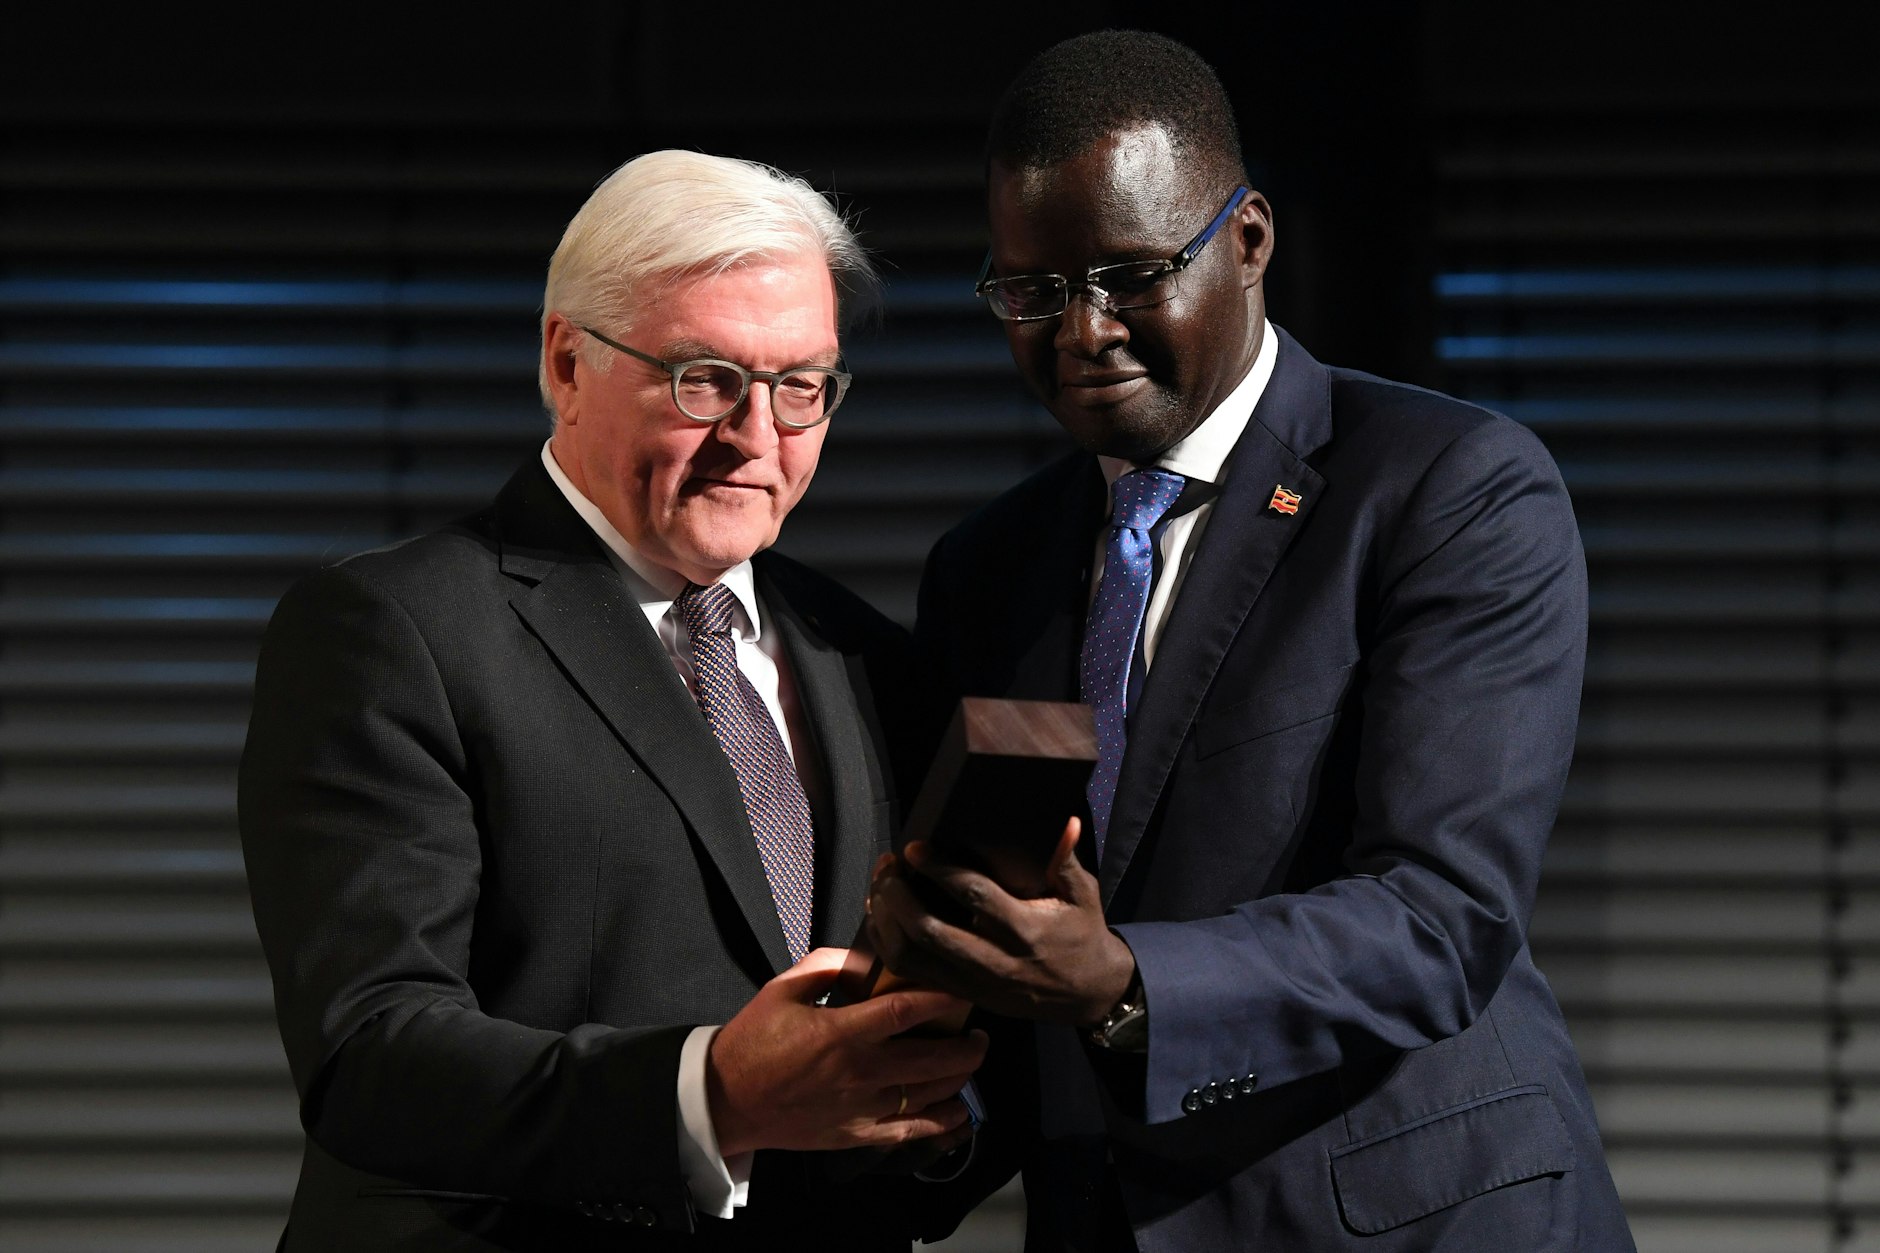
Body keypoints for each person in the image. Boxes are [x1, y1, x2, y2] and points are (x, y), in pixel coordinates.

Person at [866, 31, 1636, 1252]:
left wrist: (1124, 982)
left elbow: (1440, 918)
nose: (1081, 331)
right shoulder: (986, 568)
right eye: (1031, 291)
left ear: (1250, 240)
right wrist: (937, 1104)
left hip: (1410, 1222)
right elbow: (1022, 976)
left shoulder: (1446, 486)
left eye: (1127, 274)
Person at [239, 149, 987, 1252]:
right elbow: (373, 1052)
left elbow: (934, 1102)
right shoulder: (391, 629)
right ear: (566, 362)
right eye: (704, 379)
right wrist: (710, 1092)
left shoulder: (869, 655)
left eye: (800, 387)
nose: (755, 437)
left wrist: (933, 1117)